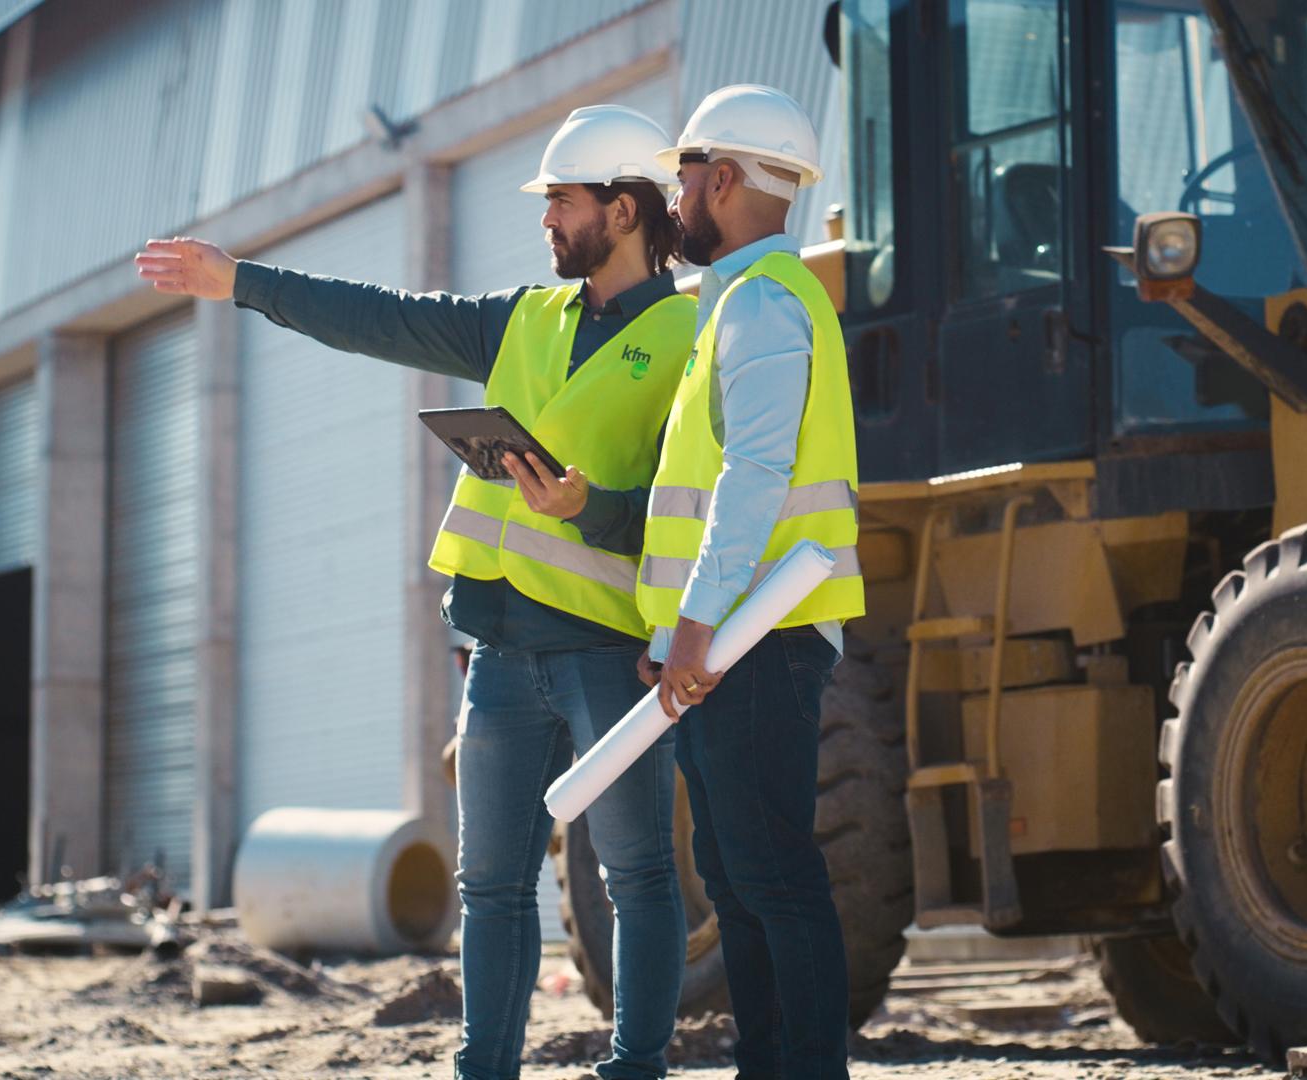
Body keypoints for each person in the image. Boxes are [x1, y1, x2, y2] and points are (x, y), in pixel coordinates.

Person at [137, 105, 694, 1080]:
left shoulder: (692, 335)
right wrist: (239, 284)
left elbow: (694, 503)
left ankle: (635, 1067)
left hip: (611, 646)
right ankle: (485, 1070)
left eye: (560, 202)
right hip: (500, 651)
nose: (545, 220)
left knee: (639, 874)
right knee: (488, 884)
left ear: (622, 206)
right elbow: (382, 318)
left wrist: (588, 507)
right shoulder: (522, 319)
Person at [635, 84, 866, 1080]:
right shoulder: (735, 301)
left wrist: (691, 624)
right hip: (733, 639)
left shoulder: (765, 303)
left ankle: (803, 1068)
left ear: (720, 179)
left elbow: (754, 477)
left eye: (681, 177)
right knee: (736, 877)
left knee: (770, 874)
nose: (673, 199)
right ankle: (768, 1062)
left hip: (756, 639)